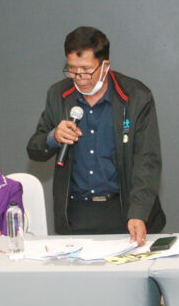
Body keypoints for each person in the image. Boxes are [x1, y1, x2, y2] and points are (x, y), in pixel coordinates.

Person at [27, 26, 165, 245]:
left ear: (105, 66)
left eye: (86, 70)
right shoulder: (59, 95)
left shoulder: (136, 96)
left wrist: (138, 212)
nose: (79, 78)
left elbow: (147, 159)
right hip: (75, 213)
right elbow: (35, 149)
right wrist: (54, 137)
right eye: (72, 70)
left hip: (124, 210)